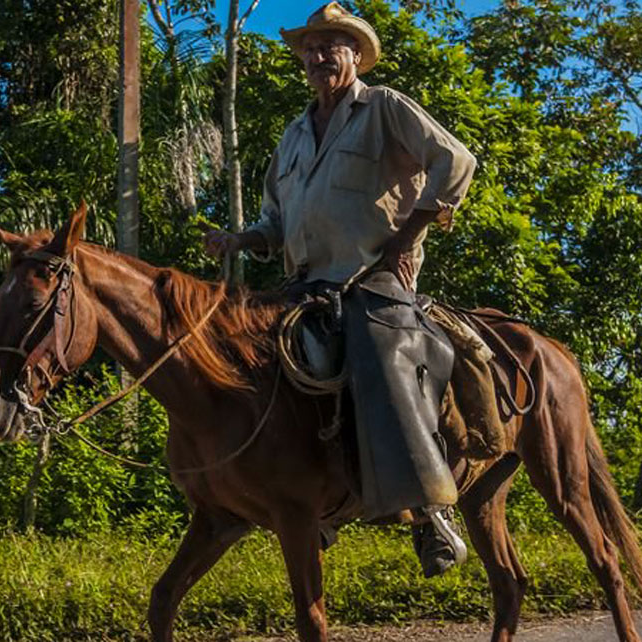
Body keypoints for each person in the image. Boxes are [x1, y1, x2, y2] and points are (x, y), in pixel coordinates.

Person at [204, 2, 478, 578]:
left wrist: (407, 236)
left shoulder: (382, 108)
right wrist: (240, 238)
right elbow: (277, 221)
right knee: (246, 359)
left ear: (356, 55)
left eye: (331, 44)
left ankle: (429, 509)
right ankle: (311, 496)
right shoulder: (294, 135)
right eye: (310, 47)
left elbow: (455, 159)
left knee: (380, 354)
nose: (318, 54)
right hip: (303, 284)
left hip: (371, 276)